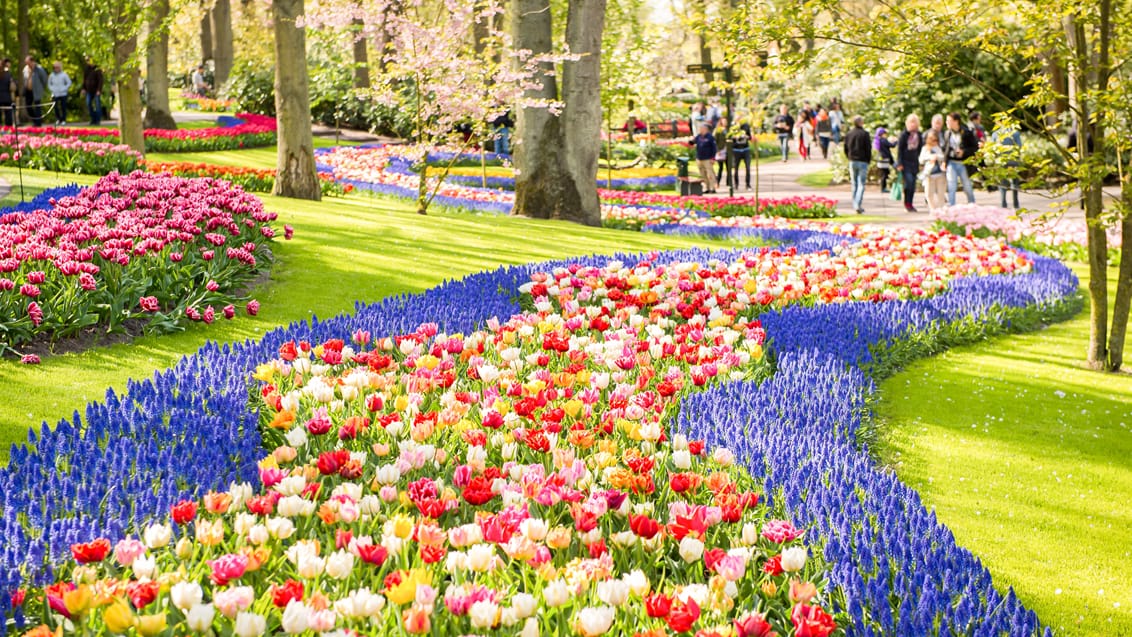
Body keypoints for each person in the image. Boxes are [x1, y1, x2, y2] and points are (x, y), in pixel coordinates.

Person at [941, 111, 978, 205]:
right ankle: (951, 206)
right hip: (951, 163)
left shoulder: (967, 132)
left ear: (956, 121)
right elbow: (946, 149)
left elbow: (975, 148)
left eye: (948, 120)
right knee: (951, 185)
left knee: (967, 185)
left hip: (963, 163)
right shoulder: (947, 133)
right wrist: (944, 161)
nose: (946, 123)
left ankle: (972, 204)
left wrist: (964, 152)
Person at [895, 114, 923, 212]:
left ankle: (910, 203)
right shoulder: (904, 135)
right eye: (911, 122)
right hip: (905, 162)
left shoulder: (919, 135)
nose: (912, 124)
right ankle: (907, 203)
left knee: (913, 185)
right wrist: (899, 163)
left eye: (914, 122)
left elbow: (920, 149)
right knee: (908, 183)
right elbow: (900, 150)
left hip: (914, 162)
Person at [844, 115, 871, 214]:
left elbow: (846, 148)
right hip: (862, 160)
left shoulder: (849, 134)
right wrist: (868, 159)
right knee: (861, 184)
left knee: (854, 184)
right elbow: (868, 148)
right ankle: (857, 204)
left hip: (852, 160)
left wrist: (849, 156)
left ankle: (855, 203)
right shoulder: (865, 134)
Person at [993, 125, 1023, 209]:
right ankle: (1016, 204)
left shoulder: (995, 134)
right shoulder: (1015, 133)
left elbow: (993, 149)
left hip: (1001, 162)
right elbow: (1019, 146)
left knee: (1003, 183)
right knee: (1014, 183)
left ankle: (1003, 204)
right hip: (1013, 161)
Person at [919, 129, 947, 211]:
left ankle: (941, 210)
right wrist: (929, 157)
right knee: (928, 194)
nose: (933, 141)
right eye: (931, 139)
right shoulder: (925, 148)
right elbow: (921, 160)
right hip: (929, 174)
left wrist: (936, 156)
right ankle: (933, 210)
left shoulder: (939, 147)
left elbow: (943, 157)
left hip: (940, 174)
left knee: (941, 194)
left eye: (935, 139)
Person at [22, 56, 48, 126]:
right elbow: (24, 79)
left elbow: (44, 79)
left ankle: (38, 123)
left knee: (37, 107)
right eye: (26, 63)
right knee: (28, 106)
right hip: (28, 91)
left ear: (32, 61)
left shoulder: (39, 69)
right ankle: (35, 121)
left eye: (29, 63)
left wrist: (42, 88)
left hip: (37, 91)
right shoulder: (25, 69)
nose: (28, 64)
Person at [694, 123, 719, 194]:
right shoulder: (699, 136)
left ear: (705, 129)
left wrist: (713, 158)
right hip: (699, 158)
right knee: (703, 174)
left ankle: (713, 188)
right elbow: (693, 142)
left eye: (701, 129)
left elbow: (714, 148)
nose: (699, 130)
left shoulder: (710, 137)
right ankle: (707, 187)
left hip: (707, 158)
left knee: (710, 174)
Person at [730, 121, 753, 190]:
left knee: (748, 168)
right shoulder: (733, 126)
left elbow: (750, 137)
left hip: (746, 149)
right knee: (736, 168)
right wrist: (734, 137)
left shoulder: (746, 126)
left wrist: (747, 137)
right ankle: (736, 184)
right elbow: (729, 137)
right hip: (736, 150)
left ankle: (748, 184)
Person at [873, 127, 896, 192]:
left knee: (884, 173)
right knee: (885, 174)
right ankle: (883, 188)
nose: (886, 134)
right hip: (884, 159)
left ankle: (883, 187)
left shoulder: (879, 140)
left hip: (881, 159)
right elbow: (892, 145)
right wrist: (896, 141)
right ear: (882, 134)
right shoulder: (883, 140)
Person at [82, 61, 103, 125]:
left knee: (97, 105)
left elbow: (100, 80)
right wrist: (83, 88)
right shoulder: (86, 69)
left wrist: (99, 90)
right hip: (89, 90)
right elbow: (84, 79)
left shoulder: (97, 69)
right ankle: (93, 118)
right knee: (88, 104)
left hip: (96, 90)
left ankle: (98, 120)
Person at [714, 117, 731, 189]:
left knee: (728, 168)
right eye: (723, 121)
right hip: (721, 150)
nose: (725, 122)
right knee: (720, 168)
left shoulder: (729, 130)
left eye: (726, 121)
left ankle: (729, 183)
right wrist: (717, 150)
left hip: (728, 151)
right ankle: (717, 182)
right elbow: (715, 141)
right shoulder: (718, 130)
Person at [0, 59, 13, 127]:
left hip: (5, 96)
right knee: (8, 114)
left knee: (8, 113)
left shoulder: (7, 74)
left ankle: (8, 127)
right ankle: (9, 127)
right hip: (6, 96)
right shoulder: (8, 73)